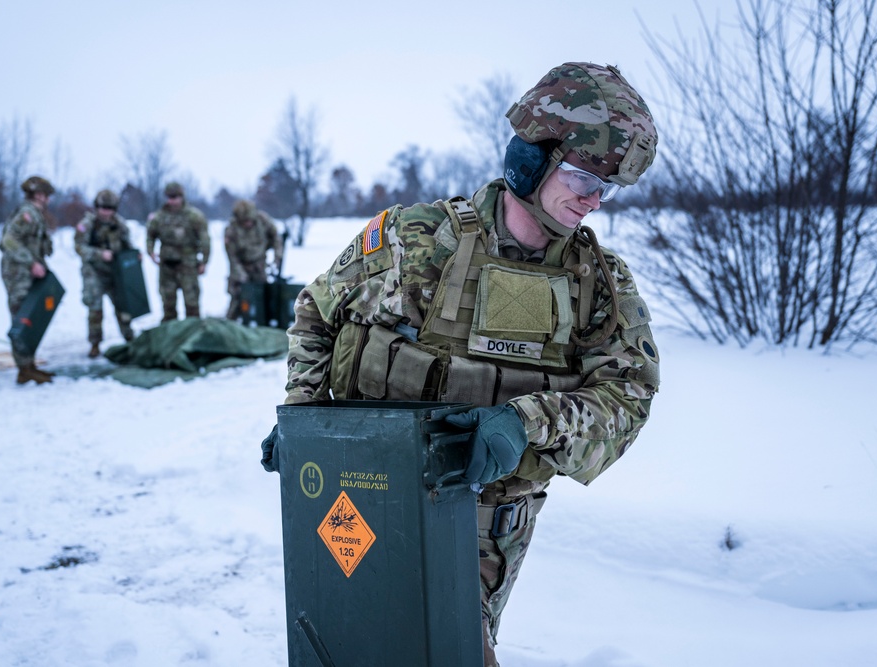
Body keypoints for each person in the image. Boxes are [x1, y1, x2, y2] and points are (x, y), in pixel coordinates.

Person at [261, 62, 661, 666]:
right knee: (343, 647)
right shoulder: (413, 239)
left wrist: (528, 422)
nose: (594, 199)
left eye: (607, 186)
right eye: (582, 175)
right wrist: (305, 423)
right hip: (363, 502)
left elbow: (629, 399)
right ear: (530, 160)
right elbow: (319, 310)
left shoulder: (599, 287)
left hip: (484, 527)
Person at [0, 175, 57, 385]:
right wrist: (31, 262)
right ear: (39, 195)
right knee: (22, 318)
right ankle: (24, 369)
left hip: (27, 273)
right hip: (19, 274)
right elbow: (9, 240)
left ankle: (29, 365)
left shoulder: (35, 213)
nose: (49, 199)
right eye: (47, 195)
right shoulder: (27, 214)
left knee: (30, 317)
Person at [74, 189, 136, 358]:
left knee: (122, 305)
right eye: (103, 208)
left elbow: (127, 245)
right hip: (94, 271)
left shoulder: (120, 224)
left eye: (110, 208)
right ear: (97, 207)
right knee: (95, 309)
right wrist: (99, 254)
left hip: (115, 271)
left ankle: (129, 338)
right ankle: (95, 344)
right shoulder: (87, 224)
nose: (106, 212)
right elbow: (79, 247)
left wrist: (134, 256)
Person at [145, 181, 210, 321]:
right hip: (167, 266)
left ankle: (193, 335)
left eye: (175, 197)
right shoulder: (159, 217)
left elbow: (205, 239)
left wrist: (204, 261)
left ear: (181, 197)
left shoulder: (194, 216)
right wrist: (150, 251)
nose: (172, 201)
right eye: (170, 197)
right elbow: (150, 235)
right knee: (168, 304)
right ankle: (171, 336)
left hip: (188, 265)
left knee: (192, 304)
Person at [224, 199, 284, 320]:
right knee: (238, 299)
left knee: (263, 297)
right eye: (245, 221)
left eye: (250, 220)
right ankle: (230, 326)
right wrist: (241, 275)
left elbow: (276, 238)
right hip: (240, 267)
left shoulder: (263, 220)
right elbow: (232, 257)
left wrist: (277, 258)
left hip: (259, 265)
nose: (248, 223)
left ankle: (263, 325)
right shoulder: (231, 230)